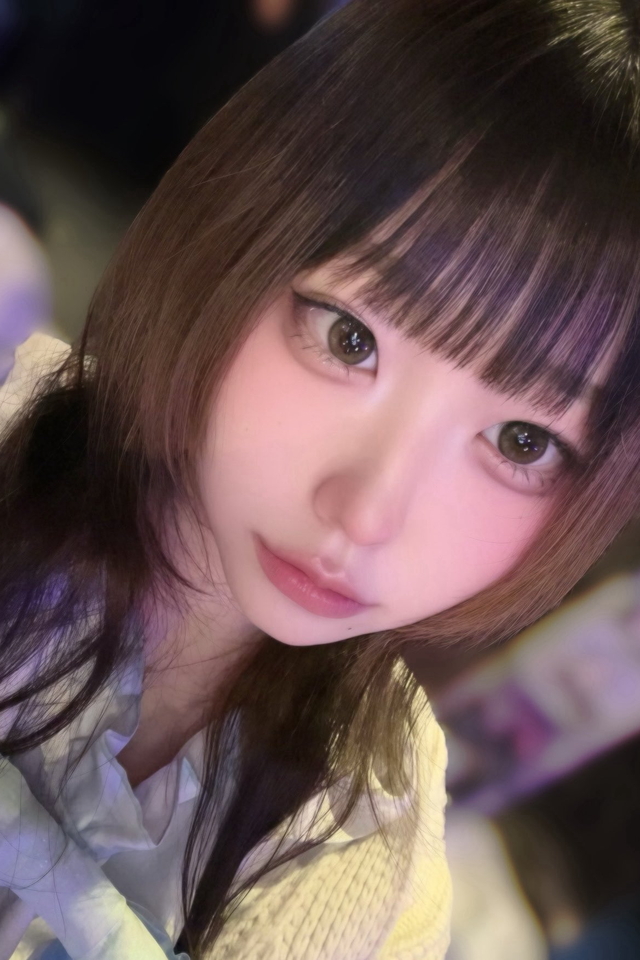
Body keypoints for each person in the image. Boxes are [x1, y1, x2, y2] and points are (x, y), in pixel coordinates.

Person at [0, 0, 639, 957]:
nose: (366, 514)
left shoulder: (377, 881)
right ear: (243, 221)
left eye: (519, 441)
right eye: (350, 339)